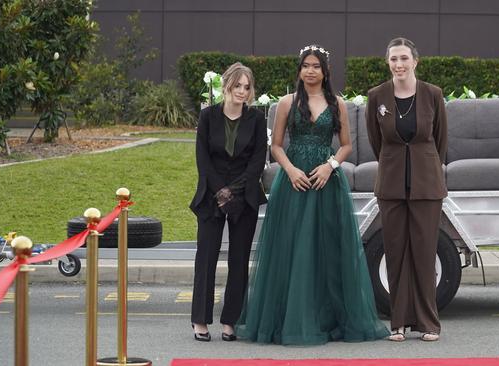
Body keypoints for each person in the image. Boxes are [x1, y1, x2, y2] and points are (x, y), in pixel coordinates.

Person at [236, 45, 389, 345]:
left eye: (316, 66)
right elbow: (276, 145)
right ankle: (288, 319)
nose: (310, 71)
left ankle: (327, 317)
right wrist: (291, 171)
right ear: (300, 70)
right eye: (305, 65)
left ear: (325, 71)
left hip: (325, 183)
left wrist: (329, 167)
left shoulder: (337, 104)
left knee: (326, 249)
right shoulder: (286, 103)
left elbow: (346, 145)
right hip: (293, 183)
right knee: (292, 249)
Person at [365, 37, 448, 342]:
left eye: (403, 58)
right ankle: (398, 322)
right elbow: (377, 141)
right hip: (391, 185)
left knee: (425, 254)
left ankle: (428, 322)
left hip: (427, 186)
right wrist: (395, 165)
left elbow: (439, 140)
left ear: (415, 61)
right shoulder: (377, 97)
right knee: (396, 252)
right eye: (393, 59)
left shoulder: (432, 95)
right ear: (387, 63)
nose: (398, 64)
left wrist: (422, 165)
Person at [189, 62, 268, 342]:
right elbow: (203, 159)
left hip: (244, 196)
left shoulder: (257, 119)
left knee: (238, 260)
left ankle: (230, 321)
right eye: (238, 86)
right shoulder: (208, 116)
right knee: (206, 258)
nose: (242, 92)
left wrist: (233, 191)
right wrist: (220, 191)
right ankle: (200, 320)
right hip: (211, 196)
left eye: (247, 87)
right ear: (226, 86)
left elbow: (258, 161)